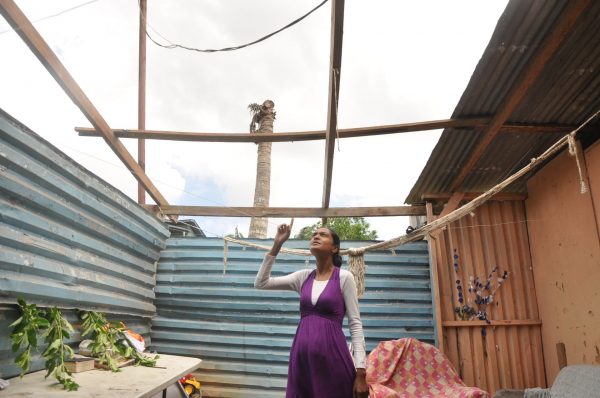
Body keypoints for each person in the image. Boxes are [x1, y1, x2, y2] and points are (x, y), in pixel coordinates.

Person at [254, 221, 369, 398]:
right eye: (314, 234)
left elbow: (355, 323)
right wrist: (278, 243)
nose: (316, 236)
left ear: (334, 248)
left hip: (333, 359)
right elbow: (261, 283)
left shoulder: (344, 278)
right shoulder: (303, 277)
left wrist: (361, 372)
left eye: (323, 235)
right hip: (302, 360)